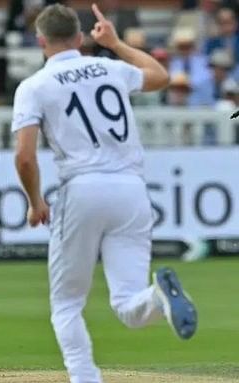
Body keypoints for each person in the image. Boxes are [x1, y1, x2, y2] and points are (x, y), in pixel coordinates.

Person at [11, 4, 198, 383]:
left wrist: (35, 202)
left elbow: (25, 157)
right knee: (128, 303)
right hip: (131, 189)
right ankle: (157, 297)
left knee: (66, 303)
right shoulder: (111, 68)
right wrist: (115, 43)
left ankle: (85, 378)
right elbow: (160, 76)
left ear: (40, 41)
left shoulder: (35, 86)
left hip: (81, 188)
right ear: (80, 38)